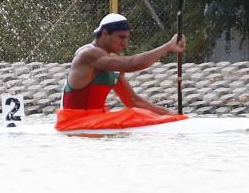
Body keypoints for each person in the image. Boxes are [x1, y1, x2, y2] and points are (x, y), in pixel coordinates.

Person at [55, 13, 187, 131]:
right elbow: (132, 64)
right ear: (105, 33)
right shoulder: (88, 54)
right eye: (121, 37)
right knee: (134, 115)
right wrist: (168, 47)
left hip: (95, 120)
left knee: (137, 112)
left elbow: (133, 100)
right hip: (73, 123)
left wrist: (171, 114)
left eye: (127, 38)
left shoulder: (112, 60)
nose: (125, 43)